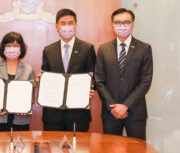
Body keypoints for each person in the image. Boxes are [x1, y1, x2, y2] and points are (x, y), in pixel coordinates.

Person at [94, 8, 153, 140]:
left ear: (132, 24)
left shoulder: (144, 48)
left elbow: (145, 81)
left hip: (136, 111)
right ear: (112, 25)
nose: (122, 26)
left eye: (126, 22)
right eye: (118, 22)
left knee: (137, 149)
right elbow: (98, 80)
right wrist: (114, 107)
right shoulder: (103, 49)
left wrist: (126, 105)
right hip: (111, 113)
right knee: (110, 148)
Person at [38, 8, 96, 132]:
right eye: (63, 23)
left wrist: (91, 88)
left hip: (78, 113)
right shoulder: (48, 50)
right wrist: (41, 81)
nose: (67, 27)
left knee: (78, 149)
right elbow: (45, 74)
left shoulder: (87, 48)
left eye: (70, 23)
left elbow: (93, 75)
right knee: (53, 149)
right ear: (57, 27)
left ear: (75, 25)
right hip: (53, 113)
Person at [0, 32, 35, 132]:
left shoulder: (28, 70)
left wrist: (26, 108)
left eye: (16, 46)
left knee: (20, 147)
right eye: (9, 46)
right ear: (3, 48)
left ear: (21, 48)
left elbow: (31, 96)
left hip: (21, 120)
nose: (12, 49)